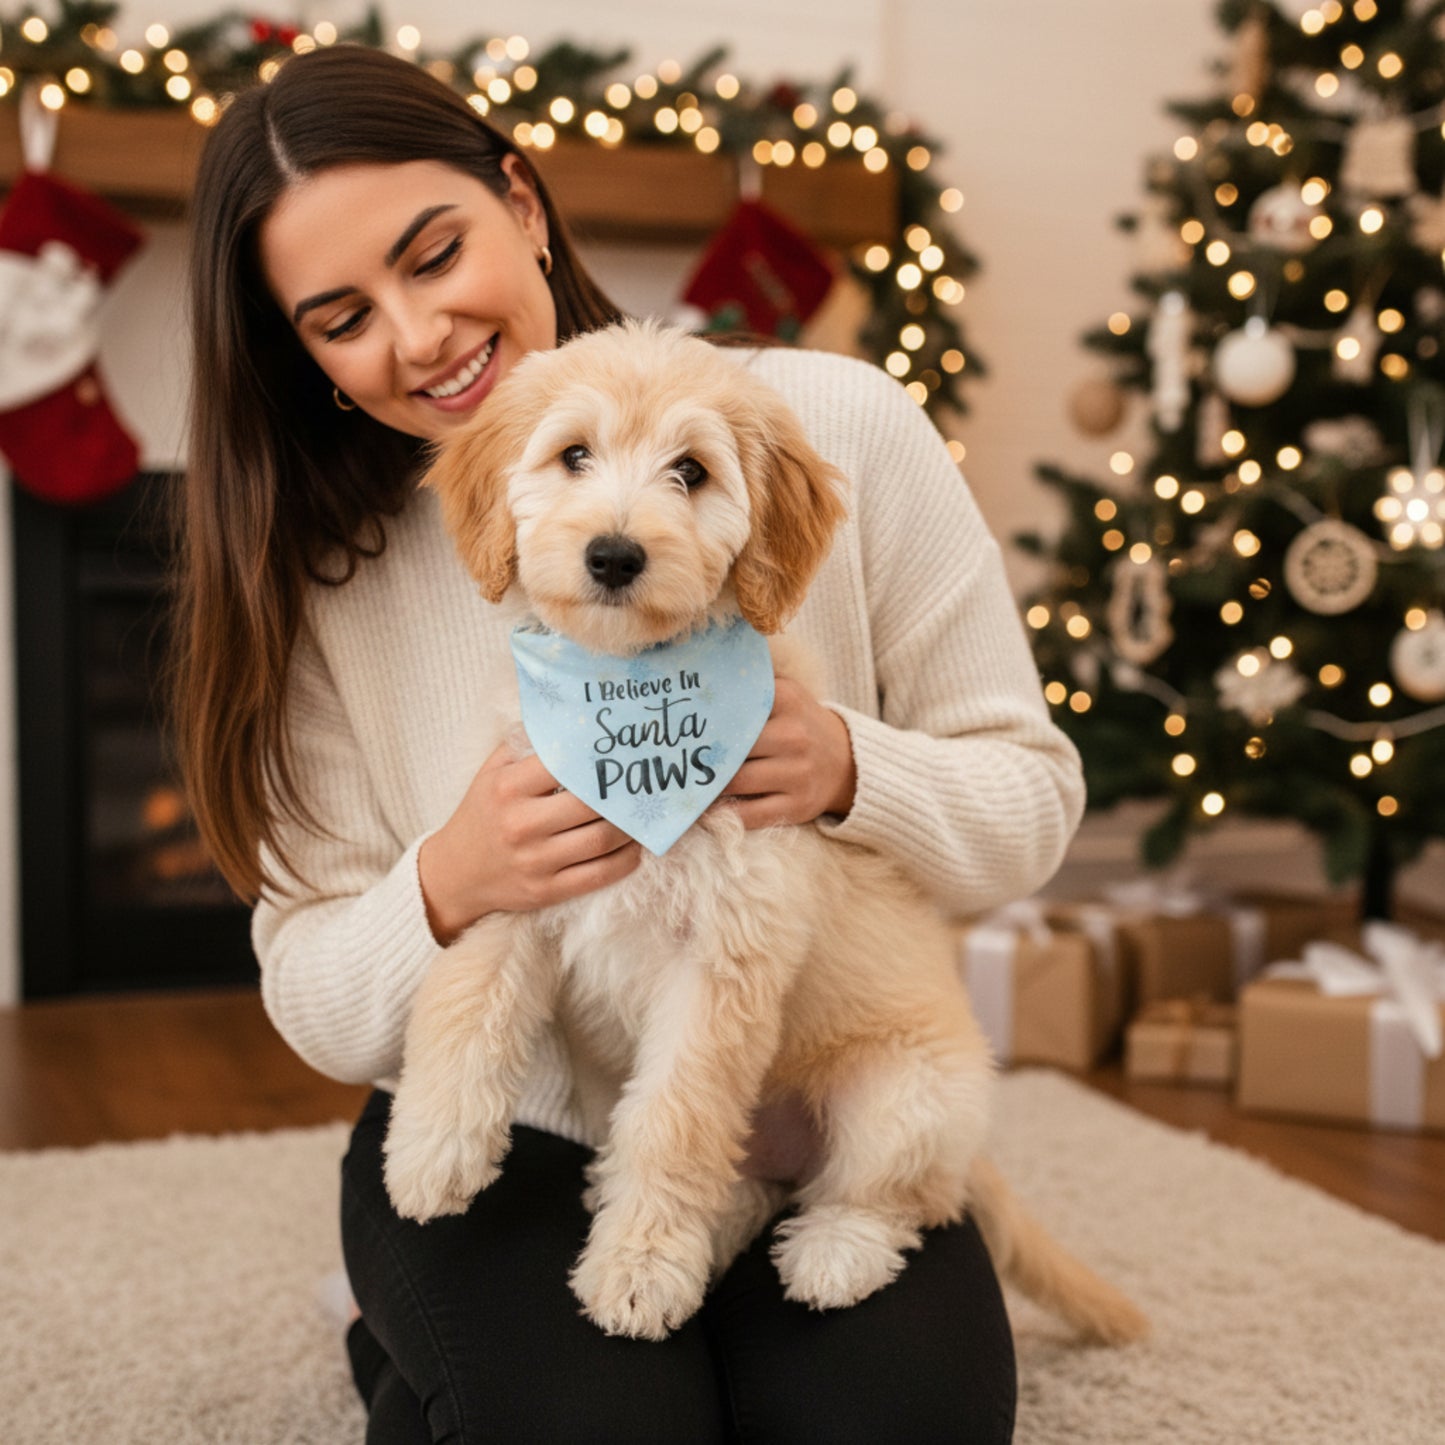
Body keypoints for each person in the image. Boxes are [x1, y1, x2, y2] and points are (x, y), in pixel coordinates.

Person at [176, 43, 1083, 1445]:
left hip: (794, 1099)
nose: (418, 337)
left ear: (522, 203)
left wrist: (850, 767)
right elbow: (311, 991)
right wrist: (450, 879)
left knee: (893, 1425)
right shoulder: (320, 569)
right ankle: (412, 1338)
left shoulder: (825, 426)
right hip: (517, 1120)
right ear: (304, 354)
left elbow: (1031, 803)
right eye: (343, 315)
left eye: (435, 253)